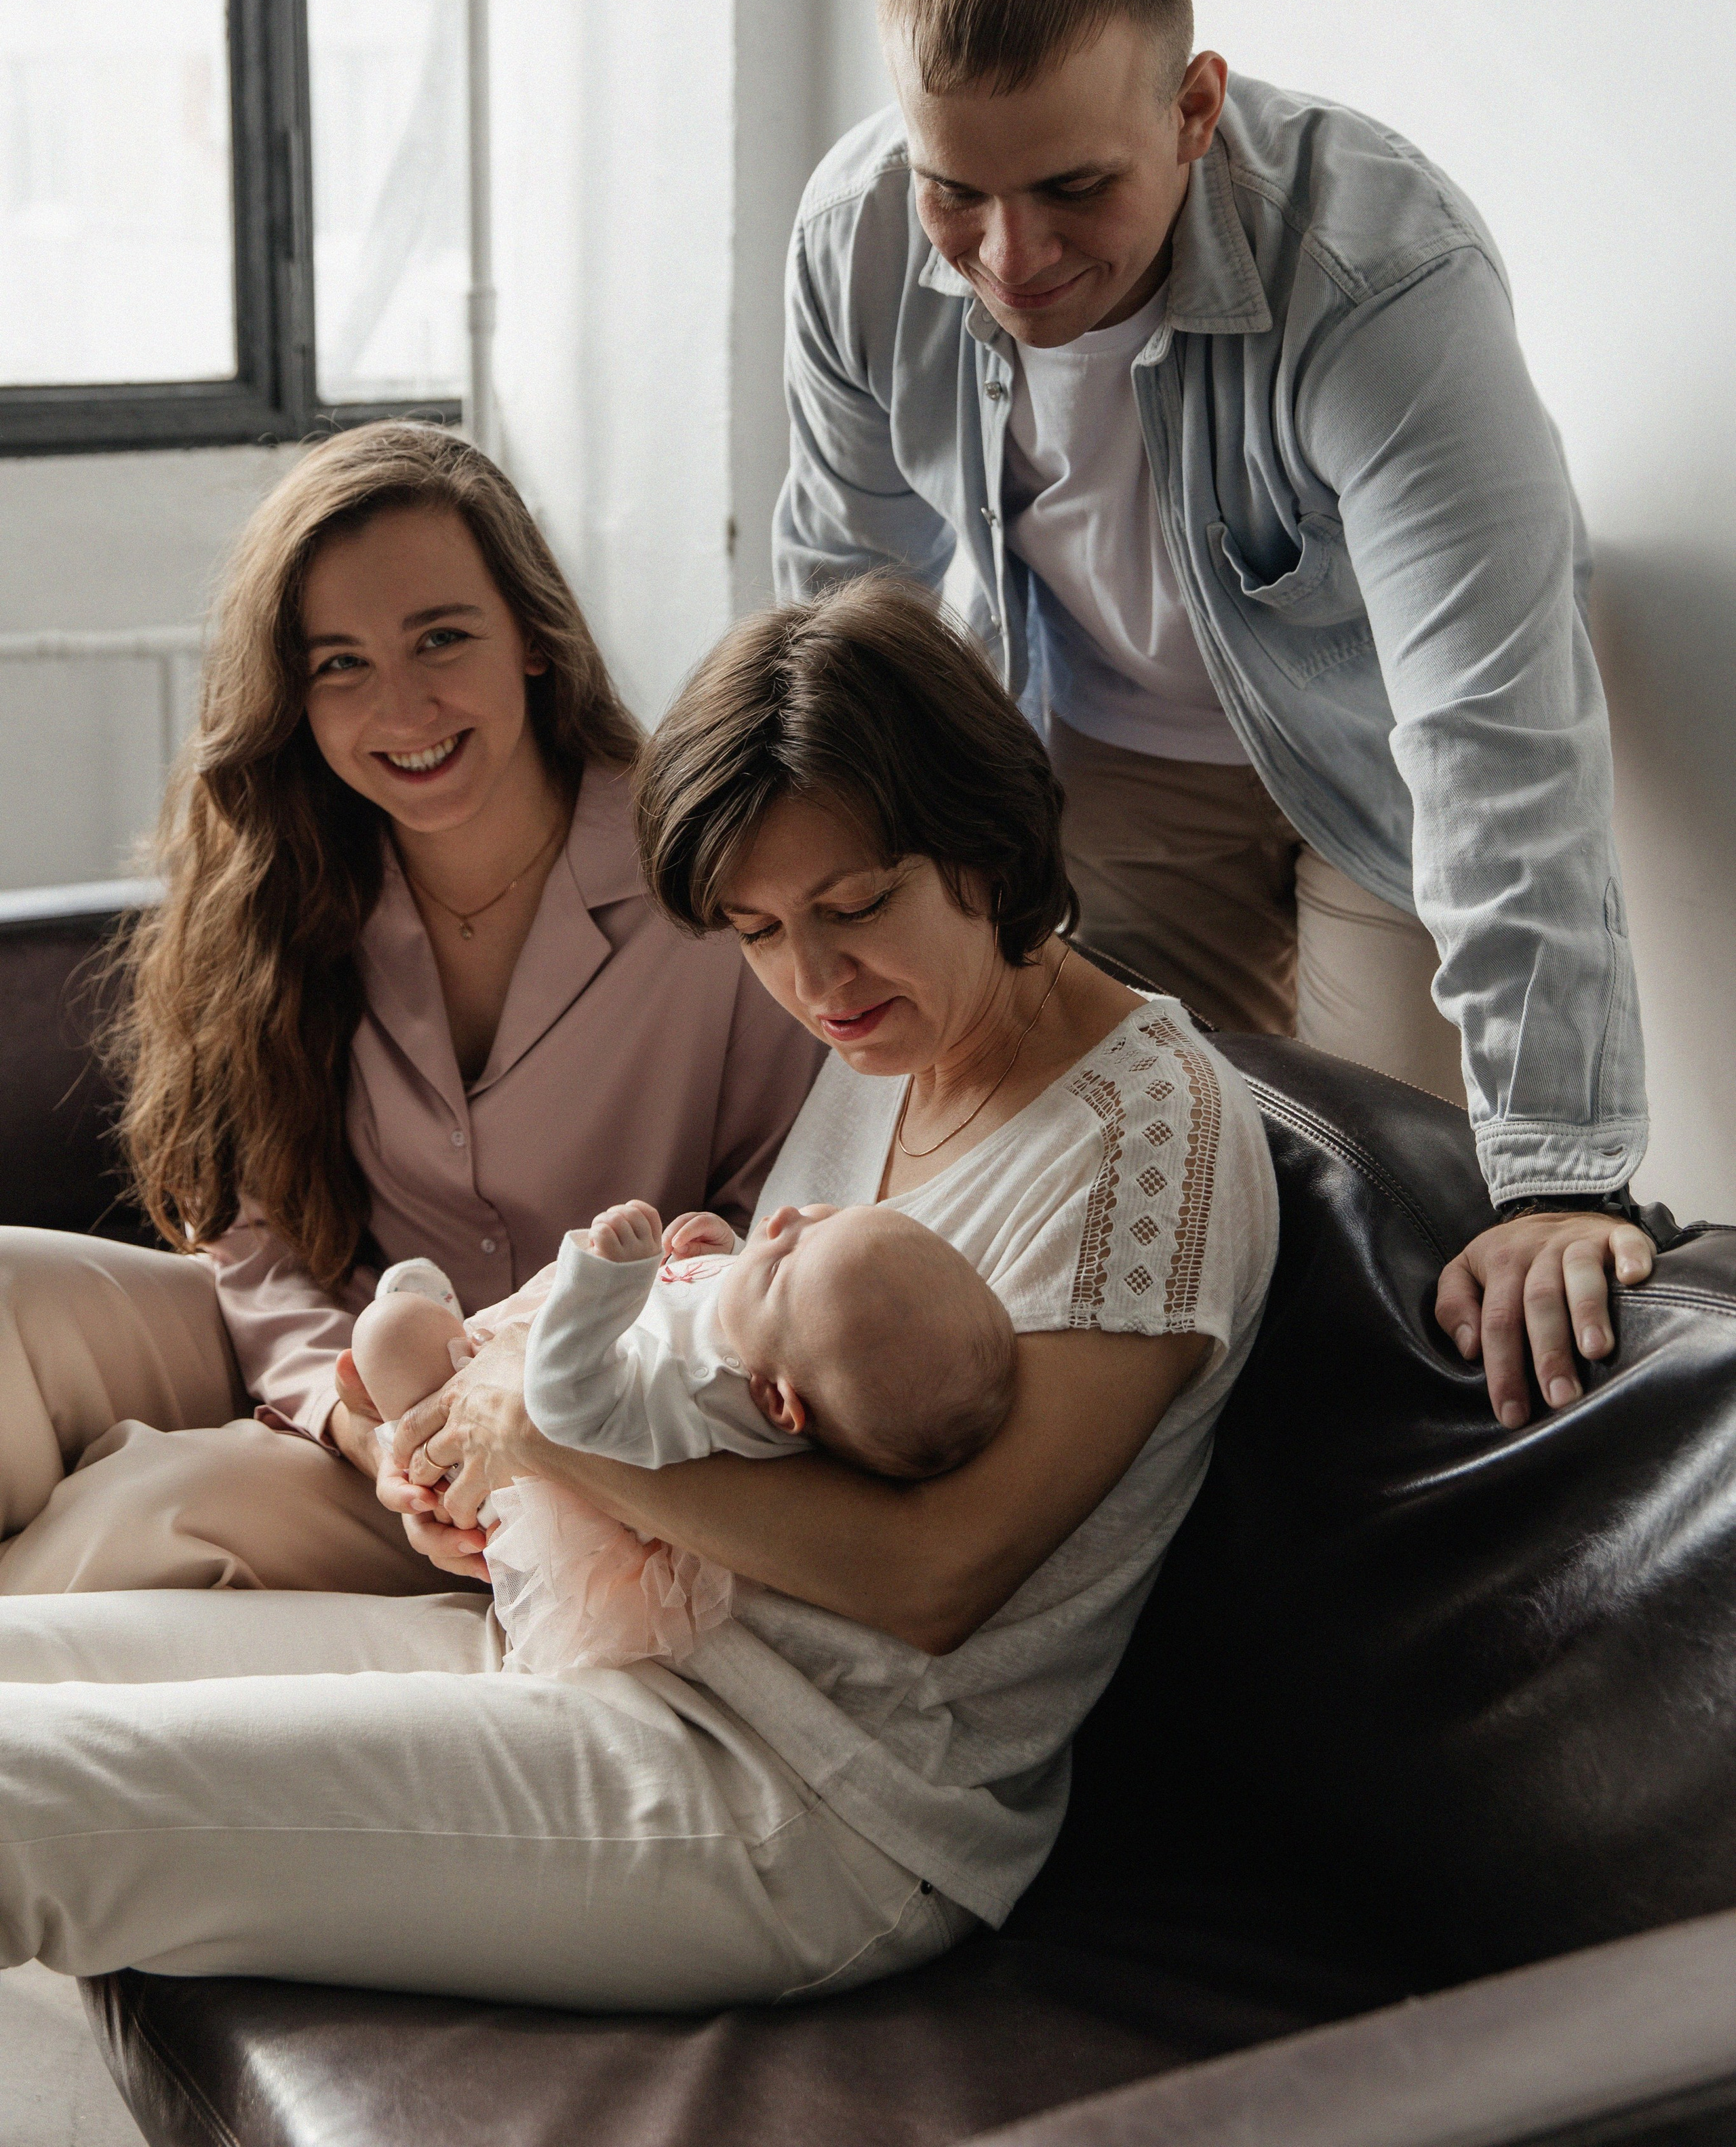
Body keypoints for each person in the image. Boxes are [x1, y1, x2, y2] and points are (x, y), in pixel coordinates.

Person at [0, 576, 1275, 2013]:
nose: (815, 981)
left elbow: (937, 1581)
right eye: (757, 931)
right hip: (596, 1647)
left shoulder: (1152, 1137)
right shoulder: (896, 1049)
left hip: (803, 1800)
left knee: (28, 1795)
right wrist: (497, 1455)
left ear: (988, 841)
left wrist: (542, 1432)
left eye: (854, 906)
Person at [772, 0, 1654, 1427]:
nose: (1009, 257)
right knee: (1105, 1218)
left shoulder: (1381, 277)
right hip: (1100, 758)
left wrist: (1554, 1171)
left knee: (1389, 1243)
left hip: (1383, 777)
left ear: (1192, 109)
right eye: (955, 191)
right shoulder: (855, 237)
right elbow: (845, 621)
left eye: (1072, 190)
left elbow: (1486, 719)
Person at [0, 421, 818, 1600]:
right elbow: (256, 1240)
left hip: (597, 1429)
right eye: (340, 663)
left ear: (532, 637)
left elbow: (762, 1224)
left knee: (153, 1510)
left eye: (441, 638)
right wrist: (361, 1426)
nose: (403, 707)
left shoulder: (702, 882)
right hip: (351, 1380)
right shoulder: (284, 889)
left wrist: (512, 1419)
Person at [351, 1195, 1016, 1670]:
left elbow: (561, 1409)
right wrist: (729, 1256)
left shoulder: (703, 1391)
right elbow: (753, 1311)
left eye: (779, 1263)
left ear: (772, 1401)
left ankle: (417, 1380)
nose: (784, 1221)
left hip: (543, 1446)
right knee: (419, 1344)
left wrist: (607, 1283)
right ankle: (437, 1355)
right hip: (543, 1370)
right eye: (824, 1220)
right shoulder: (784, 1345)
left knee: (389, 1332)